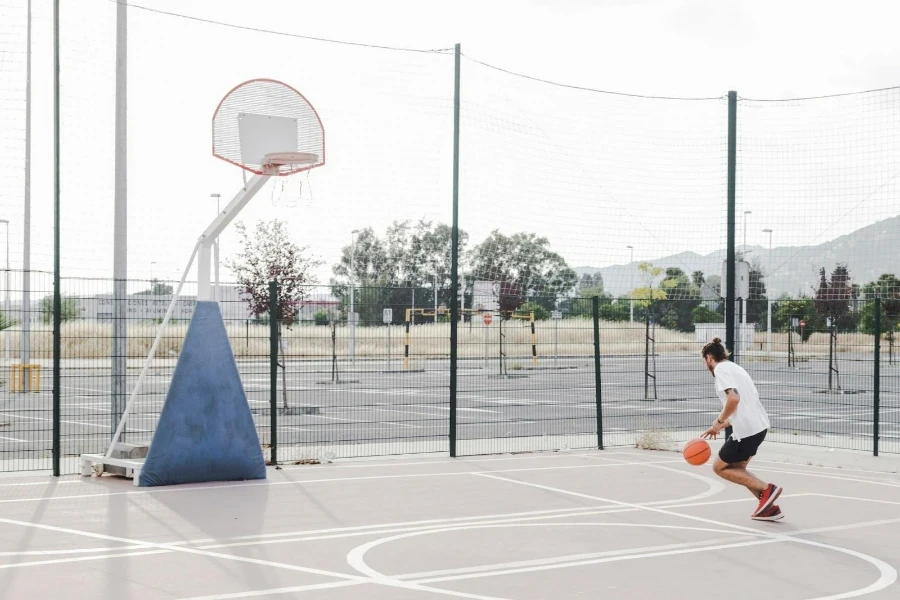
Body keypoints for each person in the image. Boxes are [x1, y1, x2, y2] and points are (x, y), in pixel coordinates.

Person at [700, 337, 783, 521]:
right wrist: (719, 426)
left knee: (719, 467)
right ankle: (769, 508)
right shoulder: (735, 368)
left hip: (747, 431)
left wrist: (719, 420)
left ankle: (767, 489)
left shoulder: (721, 370)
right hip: (759, 426)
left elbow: (734, 400)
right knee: (738, 469)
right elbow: (744, 405)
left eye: (704, 361)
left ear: (708, 358)